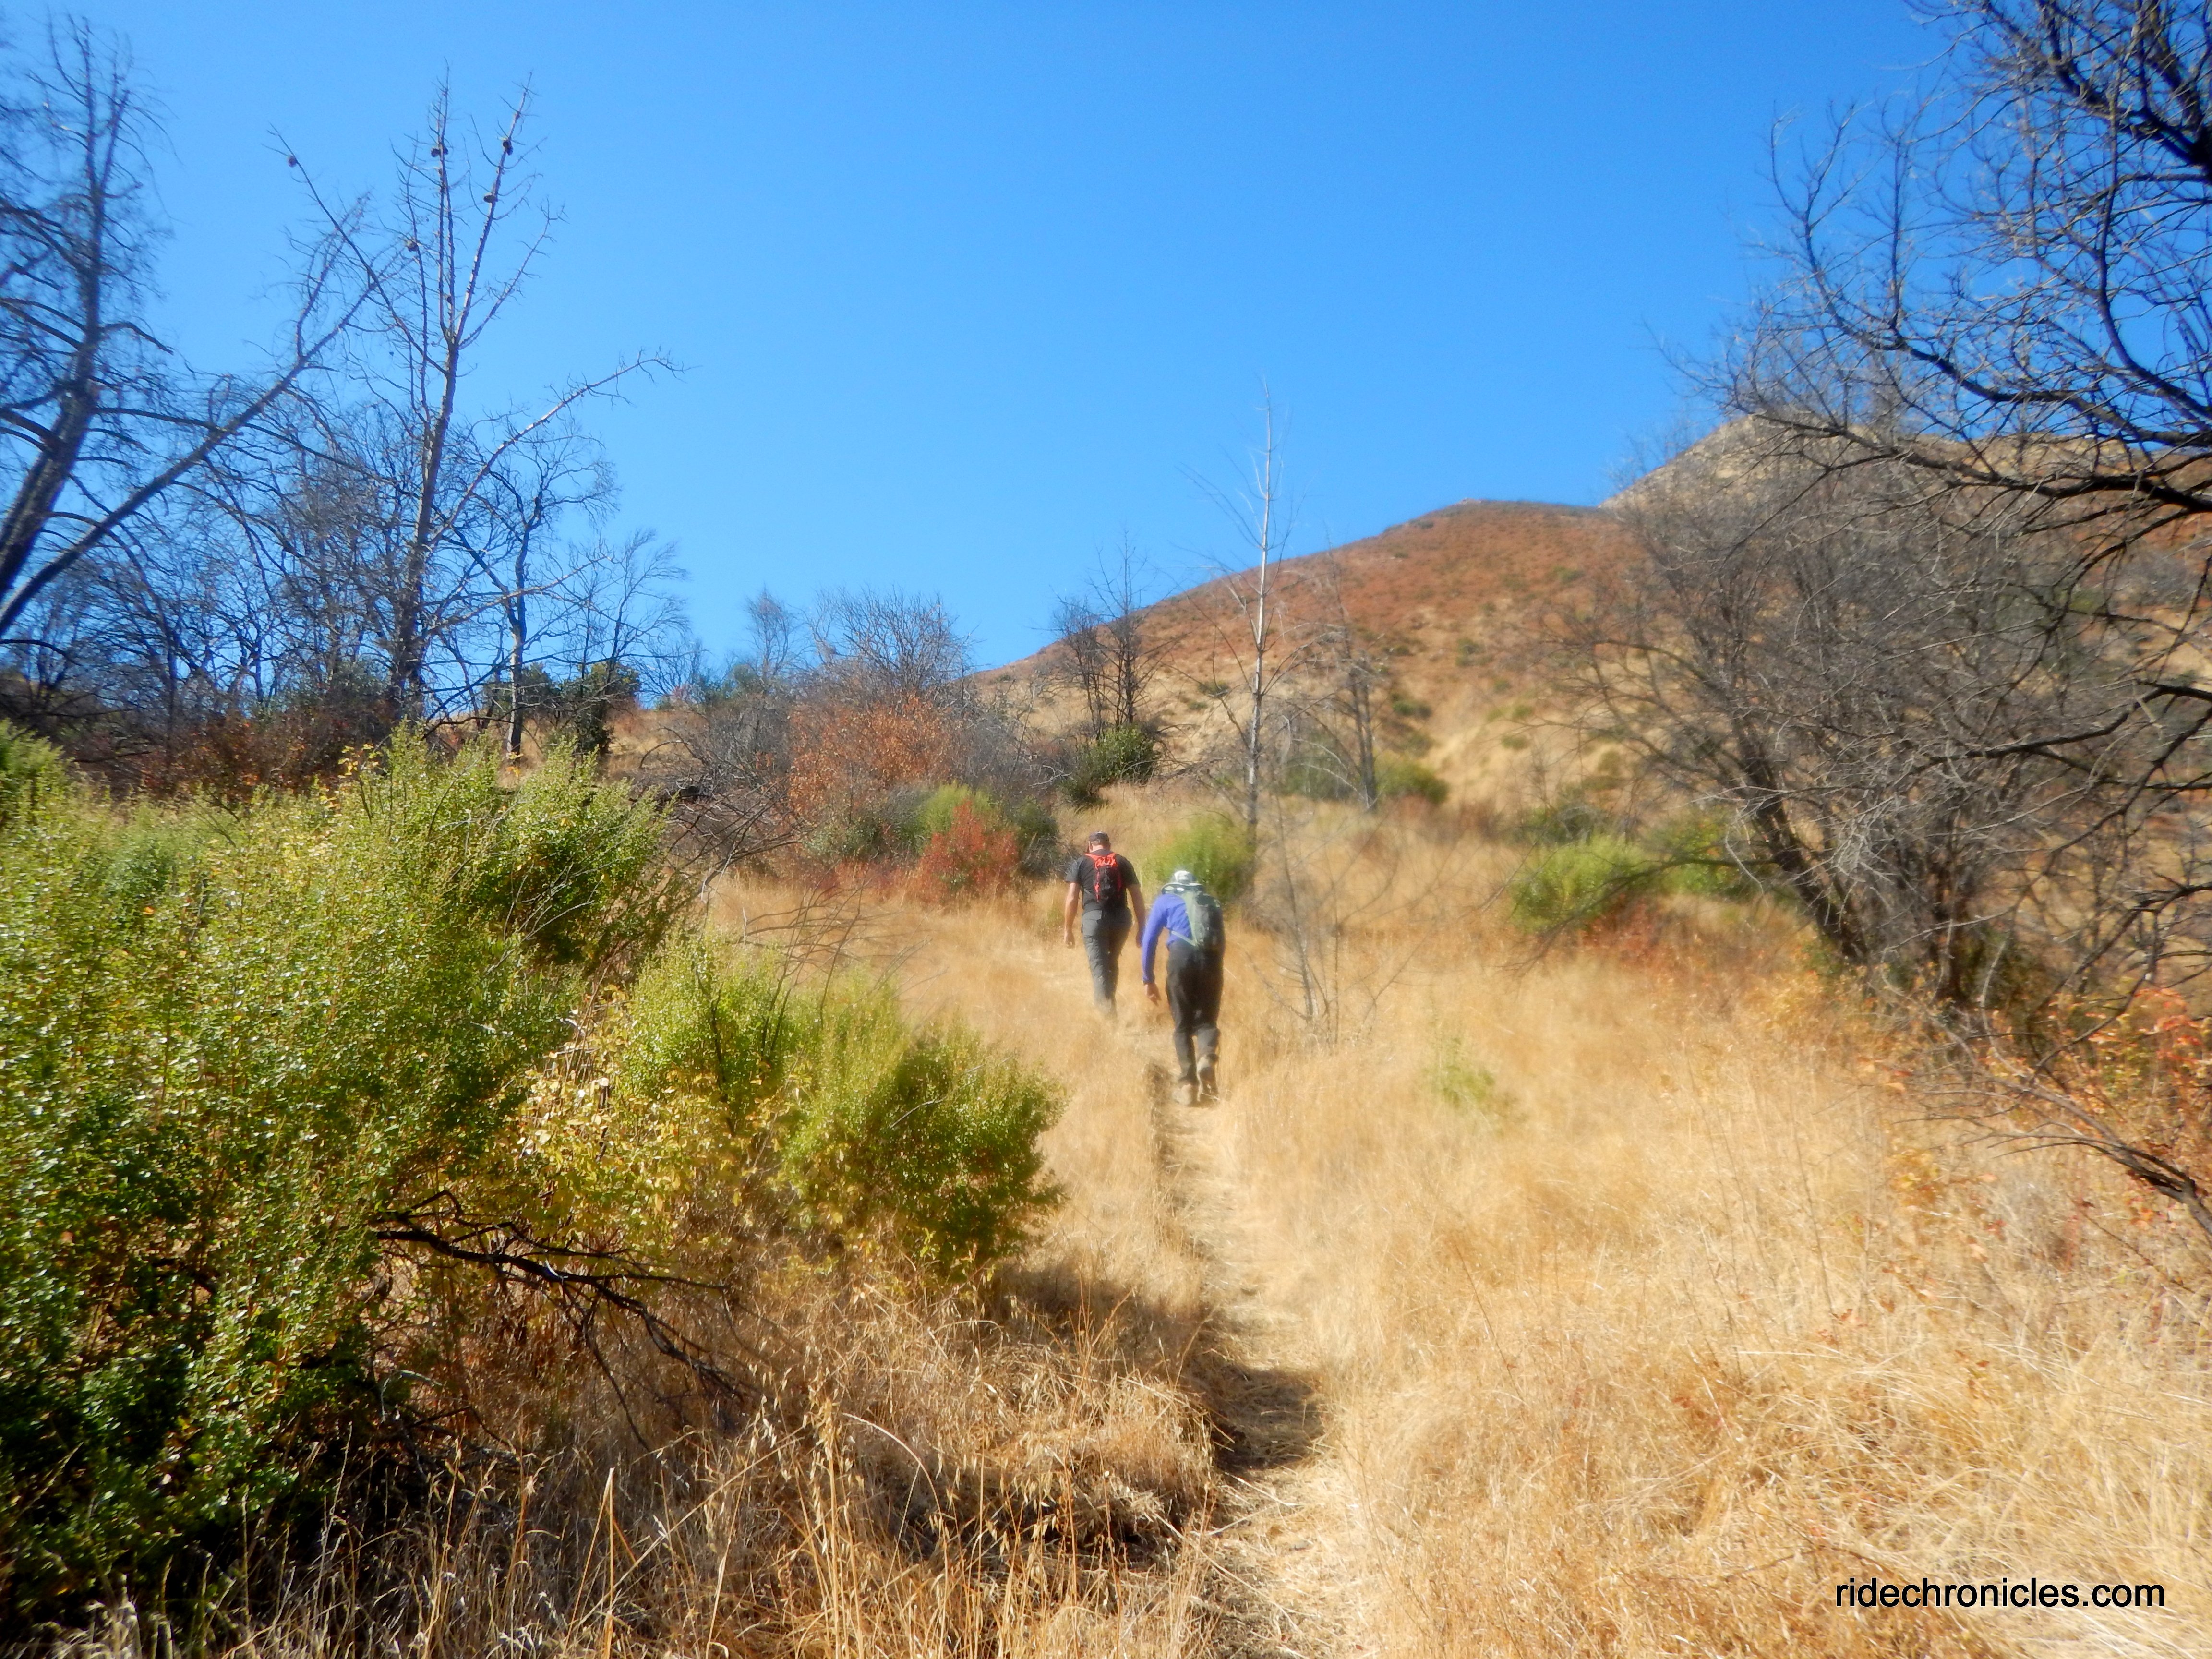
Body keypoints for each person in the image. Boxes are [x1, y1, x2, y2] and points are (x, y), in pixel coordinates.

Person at [1141, 868, 1225, 1104]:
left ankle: (1188, 1084)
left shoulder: (1165, 901)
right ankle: (1206, 1057)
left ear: (1173, 884)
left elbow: (1149, 940)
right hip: (1211, 960)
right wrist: (1215, 971)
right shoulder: (1211, 903)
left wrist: (1148, 978)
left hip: (1180, 958)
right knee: (1208, 1020)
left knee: (1181, 1025)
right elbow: (1222, 941)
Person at [1063, 830, 1145, 1013]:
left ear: (1090, 845)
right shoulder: (1122, 861)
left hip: (1094, 919)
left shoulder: (1082, 862)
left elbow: (1072, 898)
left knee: (1099, 966)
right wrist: (1142, 927)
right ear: (1108, 845)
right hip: (1121, 920)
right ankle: (1110, 1002)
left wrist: (1068, 928)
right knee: (1112, 961)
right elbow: (1137, 896)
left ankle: (1107, 1016)